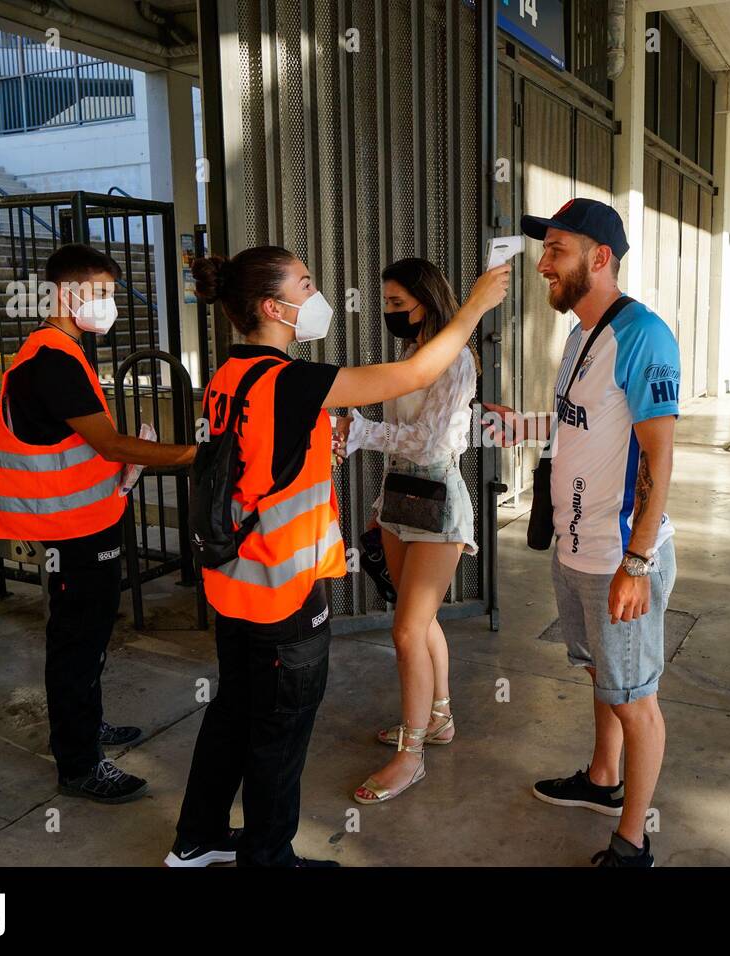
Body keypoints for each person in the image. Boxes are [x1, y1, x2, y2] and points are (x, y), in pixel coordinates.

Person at [166, 246, 509, 867]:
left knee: (234, 713)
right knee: (281, 729)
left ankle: (199, 838)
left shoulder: (227, 377)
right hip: (285, 589)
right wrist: (474, 307)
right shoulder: (291, 381)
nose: (317, 293)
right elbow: (411, 377)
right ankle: (269, 857)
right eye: (305, 283)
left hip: (235, 583)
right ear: (274, 307)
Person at [484, 198, 678, 867]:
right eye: (545, 250)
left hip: (618, 553)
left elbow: (658, 455)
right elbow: (580, 422)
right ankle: (602, 780)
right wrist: (523, 427)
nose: (543, 263)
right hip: (576, 547)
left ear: (600, 258)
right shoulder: (579, 336)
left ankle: (631, 844)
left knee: (636, 700)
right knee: (602, 674)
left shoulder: (644, 335)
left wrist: (639, 561)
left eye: (557, 249)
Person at [0, 243, 197, 804]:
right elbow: (105, 441)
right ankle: (79, 764)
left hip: (88, 519)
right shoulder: (52, 360)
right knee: (77, 640)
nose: (109, 305)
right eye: (100, 293)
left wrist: (127, 465)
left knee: (88, 635)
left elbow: (86, 446)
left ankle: (82, 726)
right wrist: (197, 455)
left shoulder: (62, 350)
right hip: (69, 531)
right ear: (65, 293)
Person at [332, 258, 480, 804]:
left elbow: (432, 443)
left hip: (439, 502)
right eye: (387, 304)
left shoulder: (455, 358)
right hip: (399, 501)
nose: (390, 313)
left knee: (405, 631)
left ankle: (411, 755)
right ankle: (438, 719)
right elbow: (403, 443)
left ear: (428, 298)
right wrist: (380, 503)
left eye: (398, 303)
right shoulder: (410, 357)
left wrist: (359, 429)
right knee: (421, 622)